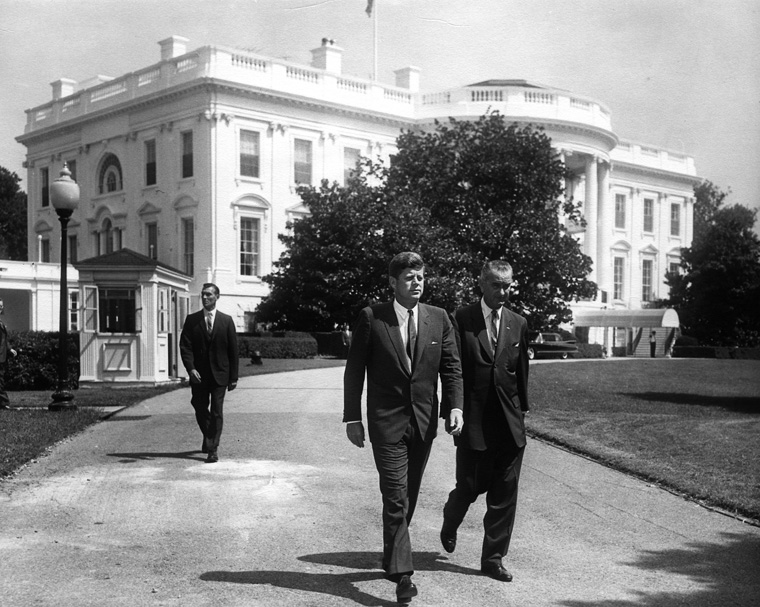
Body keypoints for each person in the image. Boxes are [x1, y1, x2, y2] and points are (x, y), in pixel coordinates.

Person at [344, 252, 463, 604]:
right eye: (409, 277)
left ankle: (391, 555)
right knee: (395, 495)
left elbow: (452, 367)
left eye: (421, 276)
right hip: (386, 423)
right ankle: (403, 577)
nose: (417, 282)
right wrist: (353, 417)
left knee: (406, 495)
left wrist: (455, 406)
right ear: (393, 283)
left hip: (423, 423)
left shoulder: (438, 318)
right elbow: (355, 371)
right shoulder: (372, 317)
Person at [440, 260, 530, 583]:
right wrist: (454, 410)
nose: (503, 292)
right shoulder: (461, 319)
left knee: (505, 494)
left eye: (508, 286)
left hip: (509, 425)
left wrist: (522, 416)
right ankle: (450, 521)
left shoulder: (518, 323)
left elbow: (520, 374)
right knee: (468, 487)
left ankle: (493, 559)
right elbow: (453, 369)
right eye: (497, 286)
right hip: (473, 422)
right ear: (482, 283)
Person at [180, 283, 238, 463]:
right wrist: (191, 369)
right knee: (198, 405)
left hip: (220, 374)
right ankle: (208, 435)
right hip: (199, 375)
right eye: (203, 295)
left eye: (209, 295)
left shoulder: (226, 321)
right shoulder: (192, 320)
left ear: (217, 297)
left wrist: (233, 377)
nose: (205, 298)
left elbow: (233, 351)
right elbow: (185, 347)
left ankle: (212, 448)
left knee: (216, 411)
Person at [0, 299, 19, 410]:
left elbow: (3, 339)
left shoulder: (1, 322)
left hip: (2, 356)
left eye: (1, 306)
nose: (0, 308)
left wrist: (10, 349)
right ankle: (4, 403)